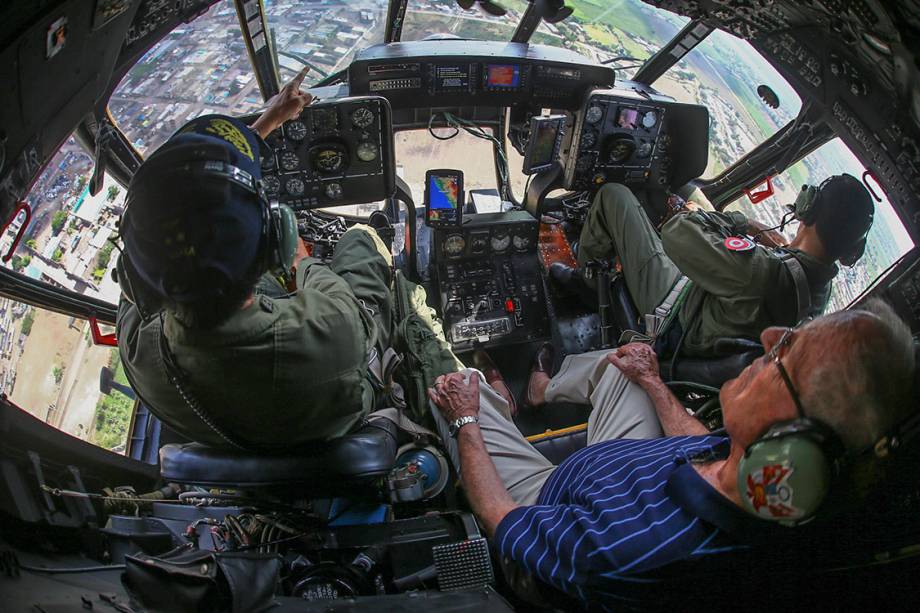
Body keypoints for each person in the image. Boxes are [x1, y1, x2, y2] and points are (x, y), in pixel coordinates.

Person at [426, 300, 914, 606]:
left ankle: (489, 397)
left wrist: (466, 416)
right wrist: (653, 383)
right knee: (623, 369)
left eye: (786, 352)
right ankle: (541, 390)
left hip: (545, 508)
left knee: (455, 385)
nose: (769, 338)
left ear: (794, 442)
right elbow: (697, 441)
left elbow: (497, 514)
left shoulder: (637, 553)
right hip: (615, 472)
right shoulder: (761, 470)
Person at [116, 68, 458, 449]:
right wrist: (300, 263)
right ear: (278, 241)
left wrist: (268, 122)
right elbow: (343, 302)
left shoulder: (137, 347)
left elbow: (154, 219)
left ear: (134, 279)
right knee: (361, 241)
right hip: (344, 410)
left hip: (251, 429)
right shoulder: (334, 329)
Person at [551, 176, 875, 356]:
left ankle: (588, 281)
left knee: (614, 194)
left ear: (808, 207)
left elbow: (676, 232)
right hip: (707, 323)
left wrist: (743, 222)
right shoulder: (818, 290)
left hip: (673, 315)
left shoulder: (764, 272)